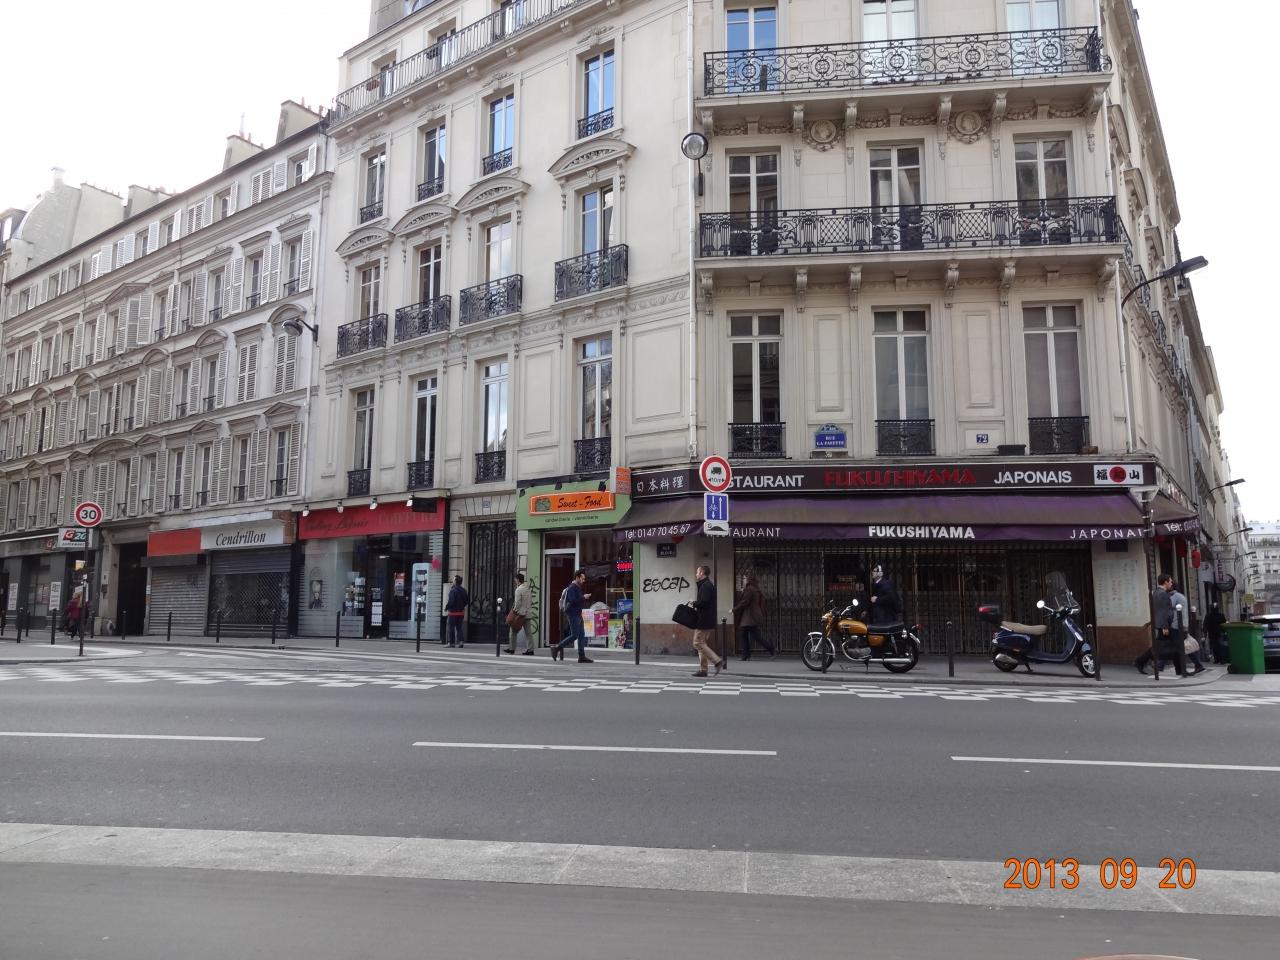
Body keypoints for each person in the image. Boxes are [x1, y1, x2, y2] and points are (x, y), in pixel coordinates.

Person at [1135, 573, 1185, 676]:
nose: (1171, 583)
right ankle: (1140, 661)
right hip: (1164, 626)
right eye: (1170, 581)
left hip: (1162, 624)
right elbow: (1163, 611)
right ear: (1165, 582)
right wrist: (1165, 626)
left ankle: (1180, 670)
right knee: (1169, 647)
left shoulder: (1157, 593)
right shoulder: (1163, 594)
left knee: (1174, 646)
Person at [691, 564, 726, 677]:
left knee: (697, 643)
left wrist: (694, 603)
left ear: (702, 573)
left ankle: (717, 661)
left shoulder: (706, 586)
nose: (696, 574)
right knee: (702, 644)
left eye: (697, 572)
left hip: (704, 620)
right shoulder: (706, 585)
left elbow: (704, 602)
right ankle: (703, 670)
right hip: (707, 619)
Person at [552, 570, 592, 663]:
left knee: (581, 635)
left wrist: (583, 598)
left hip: (578, 614)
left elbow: (576, 600)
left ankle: (581, 656)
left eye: (584, 579)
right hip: (573, 614)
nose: (583, 581)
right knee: (574, 635)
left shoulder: (577, 587)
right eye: (582, 579)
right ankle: (557, 648)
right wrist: (583, 597)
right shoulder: (572, 588)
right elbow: (573, 601)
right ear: (577, 578)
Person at [733, 573, 774, 660]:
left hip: (750, 616)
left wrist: (734, 609)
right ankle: (746, 655)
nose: (743, 580)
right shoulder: (752, 588)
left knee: (753, 636)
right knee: (746, 634)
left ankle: (770, 648)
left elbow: (745, 602)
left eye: (744, 579)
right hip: (750, 616)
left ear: (748, 580)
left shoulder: (749, 589)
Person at [506, 572, 532, 654]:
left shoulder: (518, 590)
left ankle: (511, 648)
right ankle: (530, 650)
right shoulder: (528, 588)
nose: (514, 581)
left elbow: (517, 603)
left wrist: (514, 611)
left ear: (517, 580)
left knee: (513, 631)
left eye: (515, 579)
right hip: (527, 613)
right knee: (528, 633)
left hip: (519, 615)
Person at [444, 575, 469, 647]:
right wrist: (461, 606)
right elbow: (466, 601)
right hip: (461, 612)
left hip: (453, 612)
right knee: (459, 627)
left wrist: (446, 607)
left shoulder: (453, 590)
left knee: (451, 627)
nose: (453, 581)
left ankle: (451, 643)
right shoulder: (464, 590)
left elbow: (451, 601)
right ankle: (461, 642)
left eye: (453, 580)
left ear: (455, 581)